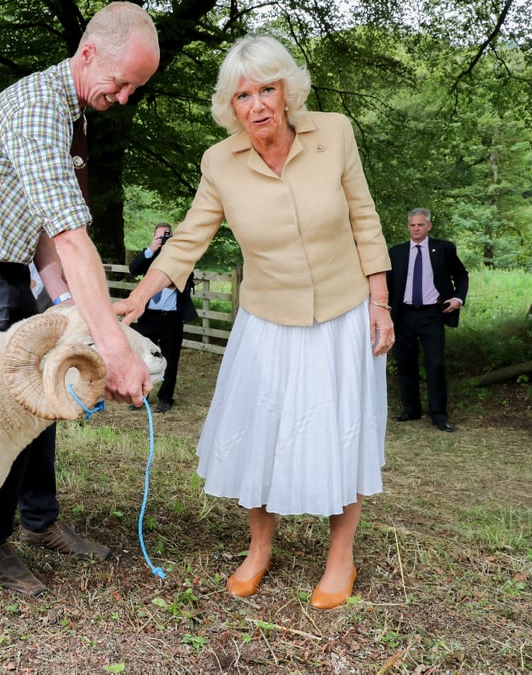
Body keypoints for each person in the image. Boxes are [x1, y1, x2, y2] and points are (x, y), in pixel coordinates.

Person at [115, 35, 394, 610]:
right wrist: (139, 297)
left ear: (288, 91)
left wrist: (380, 301)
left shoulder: (334, 133)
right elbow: (188, 239)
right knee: (260, 437)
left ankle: (340, 556)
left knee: (342, 433)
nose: (259, 104)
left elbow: (365, 218)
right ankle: (260, 549)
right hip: (267, 318)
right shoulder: (220, 162)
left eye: (268, 88)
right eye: (245, 95)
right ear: (231, 106)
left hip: (343, 315)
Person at [0, 1, 160, 595]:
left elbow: (51, 230)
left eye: (136, 89)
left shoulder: (78, 112)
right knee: (2, 398)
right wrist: (115, 351)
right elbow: (76, 241)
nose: (124, 97)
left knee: (47, 384)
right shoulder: (37, 110)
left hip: (8, 262)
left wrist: (62, 306)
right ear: (88, 54)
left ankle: (39, 521)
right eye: (122, 82)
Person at [387, 208, 469, 432]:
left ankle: (439, 415)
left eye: (420, 225)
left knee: (435, 364)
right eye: (412, 225)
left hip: (432, 314)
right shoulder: (396, 253)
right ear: (408, 227)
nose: (416, 229)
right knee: (405, 363)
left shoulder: (444, 249)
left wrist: (458, 299)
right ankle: (411, 410)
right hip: (404, 315)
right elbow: (387, 284)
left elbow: (461, 275)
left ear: (429, 226)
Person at [127, 222, 198, 413]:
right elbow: (133, 269)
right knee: (143, 356)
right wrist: (152, 249)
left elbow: (188, 274)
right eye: (160, 236)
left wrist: (171, 250)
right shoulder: (149, 257)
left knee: (170, 358)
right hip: (148, 317)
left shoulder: (179, 258)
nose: (163, 239)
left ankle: (165, 398)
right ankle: (141, 396)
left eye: (166, 236)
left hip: (171, 317)